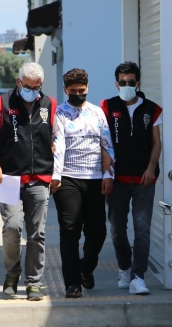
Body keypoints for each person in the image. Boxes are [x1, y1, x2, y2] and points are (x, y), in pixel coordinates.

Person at [0, 62, 57, 301]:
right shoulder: (0, 103)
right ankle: (12, 275)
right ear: (18, 82)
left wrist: (56, 167)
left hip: (39, 178)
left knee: (37, 233)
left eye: (37, 87)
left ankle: (34, 282)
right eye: (28, 86)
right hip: (9, 178)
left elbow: (56, 138)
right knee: (12, 227)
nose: (33, 91)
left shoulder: (49, 105)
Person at [52, 68, 115, 298]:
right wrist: (56, 175)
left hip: (95, 178)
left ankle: (86, 268)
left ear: (87, 88)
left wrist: (108, 176)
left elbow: (107, 145)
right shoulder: (60, 113)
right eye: (73, 91)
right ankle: (72, 283)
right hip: (68, 178)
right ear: (65, 90)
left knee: (97, 231)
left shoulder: (97, 113)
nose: (78, 94)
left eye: (81, 90)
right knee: (70, 231)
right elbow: (58, 144)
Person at [101, 61, 163, 295]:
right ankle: (124, 268)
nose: (127, 85)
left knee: (142, 229)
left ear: (138, 83)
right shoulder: (107, 107)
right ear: (116, 83)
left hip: (144, 181)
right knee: (117, 230)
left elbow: (156, 142)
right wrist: (106, 172)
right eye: (123, 82)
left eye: (131, 82)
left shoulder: (152, 109)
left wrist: (151, 167)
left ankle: (138, 276)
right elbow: (103, 141)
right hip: (117, 181)